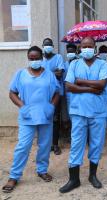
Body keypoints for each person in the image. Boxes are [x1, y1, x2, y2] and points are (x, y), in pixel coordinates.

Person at [2, 46, 60, 193]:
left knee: (45, 145)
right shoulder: (20, 74)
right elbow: (12, 93)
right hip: (27, 116)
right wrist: (22, 106)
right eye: (31, 58)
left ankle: (42, 170)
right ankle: (14, 176)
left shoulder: (49, 75)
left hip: (45, 115)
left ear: (42, 58)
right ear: (28, 59)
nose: (34, 61)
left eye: (37, 58)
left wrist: (51, 107)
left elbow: (57, 93)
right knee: (23, 146)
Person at [59, 37, 107, 193]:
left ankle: (92, 176)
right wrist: (90, 88)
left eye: (90, 46)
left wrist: (80, 81)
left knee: (96, 144)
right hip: (79, 111)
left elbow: (102, 84)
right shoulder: (74, 64)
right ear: (80, 48)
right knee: (76, 144)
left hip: (97, 112)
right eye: (84, 46)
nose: (87, 48)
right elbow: (68, 86)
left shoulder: (102, 63)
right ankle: (74, 179)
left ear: (95, 48)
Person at [42, 38, 65, 155]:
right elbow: (35, 74)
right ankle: (46, 144)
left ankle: (55, 144)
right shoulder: (39, 58)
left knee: (56, 119)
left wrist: (44, 73)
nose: (48, 47)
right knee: (44, 118)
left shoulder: (58, 58)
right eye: (46, 45)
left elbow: (60, 74)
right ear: (42, 46)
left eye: (50, 45)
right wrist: (53, 73)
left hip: (56, 93)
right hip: (42, 94)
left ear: (53, 46)